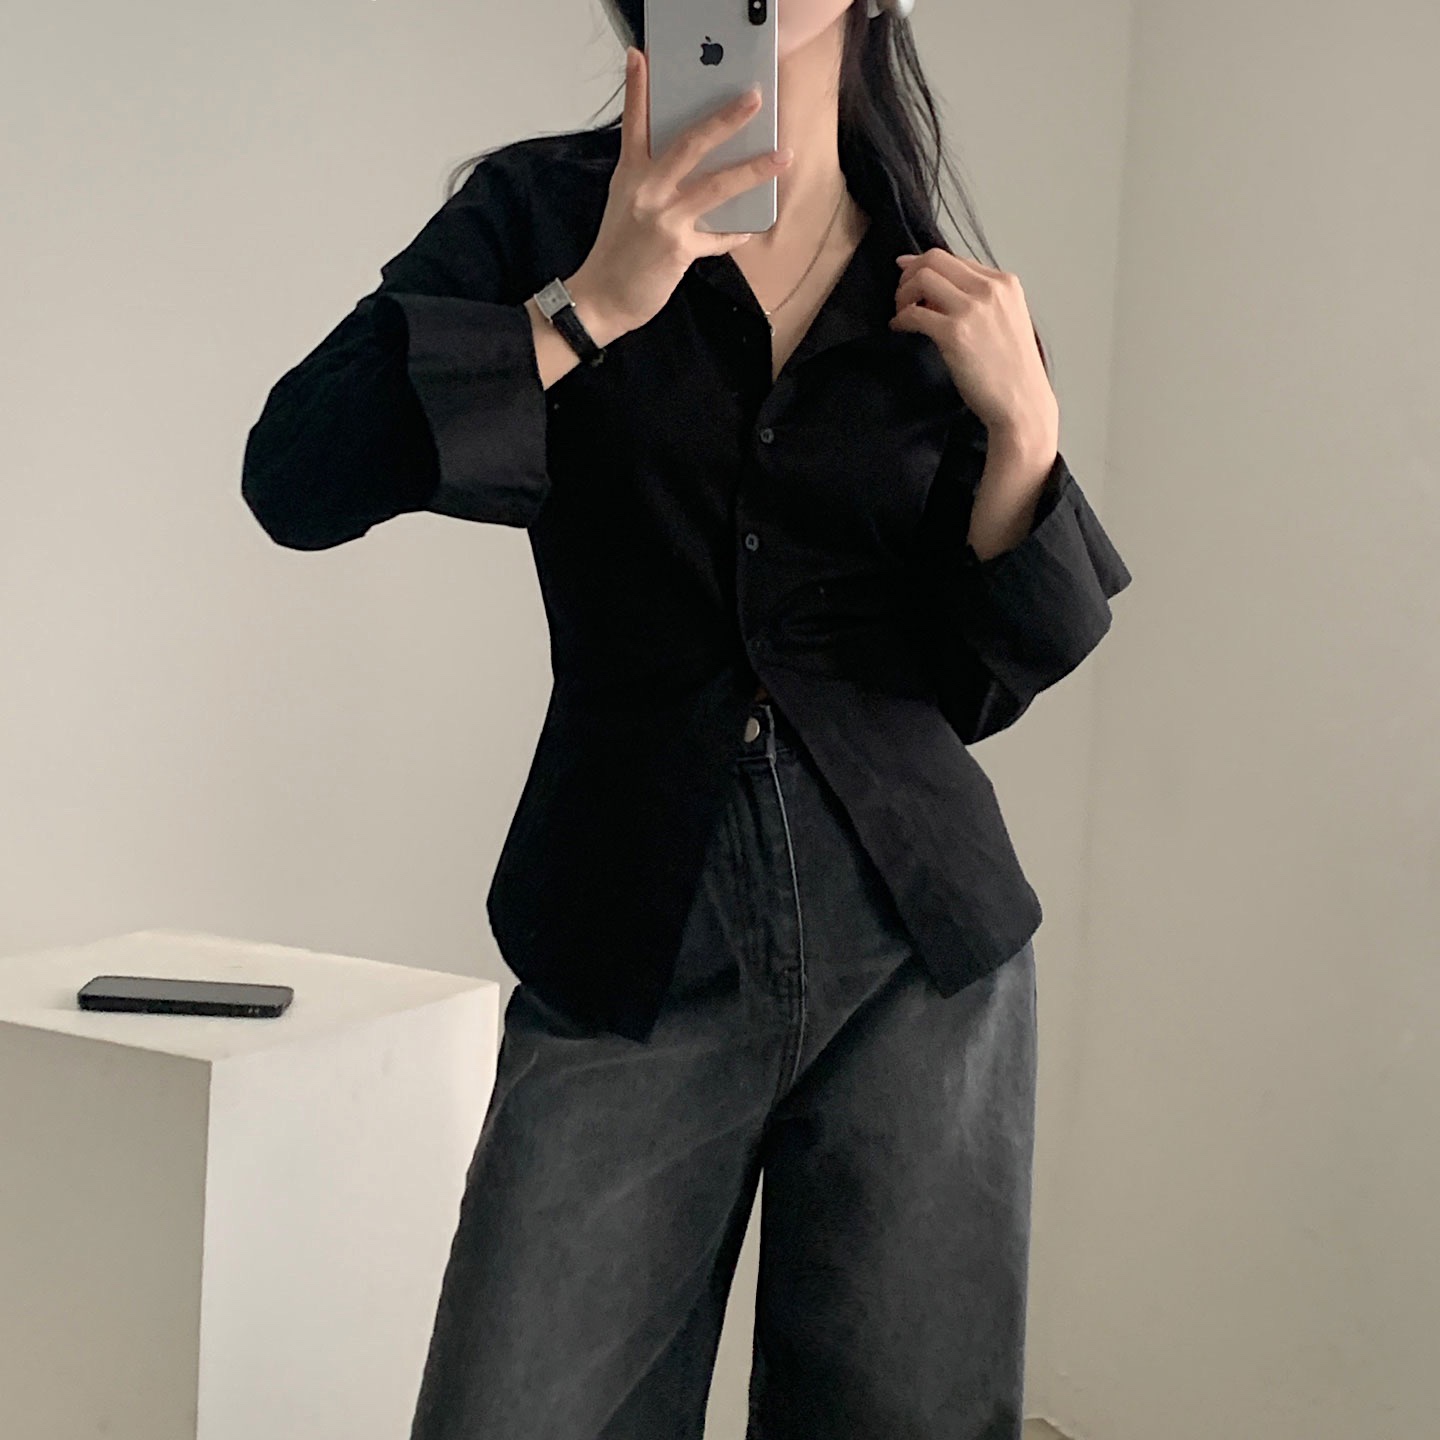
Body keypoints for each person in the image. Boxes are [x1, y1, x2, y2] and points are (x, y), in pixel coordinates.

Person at [241, 1, 1132, 1435]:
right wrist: (588, 304)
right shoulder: (545, 214)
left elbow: (976, 685)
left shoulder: (936, 291)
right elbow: (295, 475)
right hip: (630, 929)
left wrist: (1026, 438)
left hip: (921, 959)